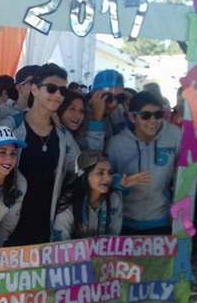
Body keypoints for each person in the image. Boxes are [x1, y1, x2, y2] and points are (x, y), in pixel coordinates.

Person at [0, 63, 80, 245]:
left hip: (44, 230)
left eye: (63, 91)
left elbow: (78, 170)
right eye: (51, 89)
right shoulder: (11, 126)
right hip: (6, 230)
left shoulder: (62, 136)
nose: (58, 95)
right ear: (34, 89)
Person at [107, 91, 182, 235]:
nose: (153, 120)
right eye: (145, 116)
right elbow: (105, 181)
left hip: (162, 220)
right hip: (123, 222)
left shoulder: (175, 136)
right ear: (132, 117)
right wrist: (120, 183)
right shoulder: (116, 145)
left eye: (158, 115)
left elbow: (184, 173)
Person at [53, 152, 123, 240]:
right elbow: (61, 242)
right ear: (84, 176)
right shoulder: (69, 201)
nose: (108, 178)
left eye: (109, 173)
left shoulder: (114, 199)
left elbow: (114, 239)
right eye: (100, 173)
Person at [88, 69, 127, 137]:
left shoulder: (118, 111)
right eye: (108, 98)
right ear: (94, 95)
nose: (114, 104)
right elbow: (91, 147)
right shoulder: (79, 114)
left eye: (119, 97)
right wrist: (97, 120)